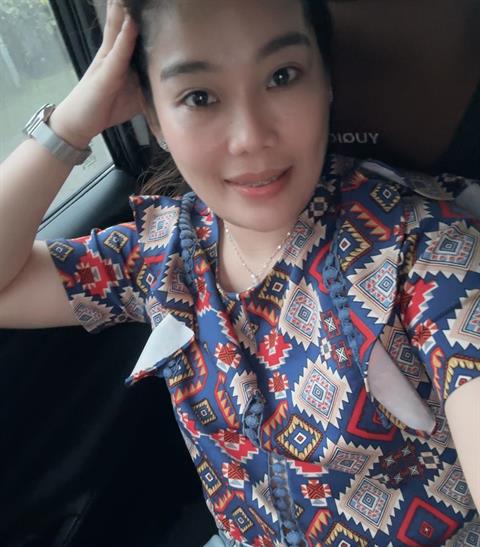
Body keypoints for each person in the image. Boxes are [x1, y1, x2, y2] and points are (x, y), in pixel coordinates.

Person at [0, 1, 479, 545]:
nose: (250, 136)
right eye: (199, 97)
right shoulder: (160, 253)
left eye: (282, 76)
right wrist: (72, 123)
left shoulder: (425, 247)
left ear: (325, 82)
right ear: (154, 119)